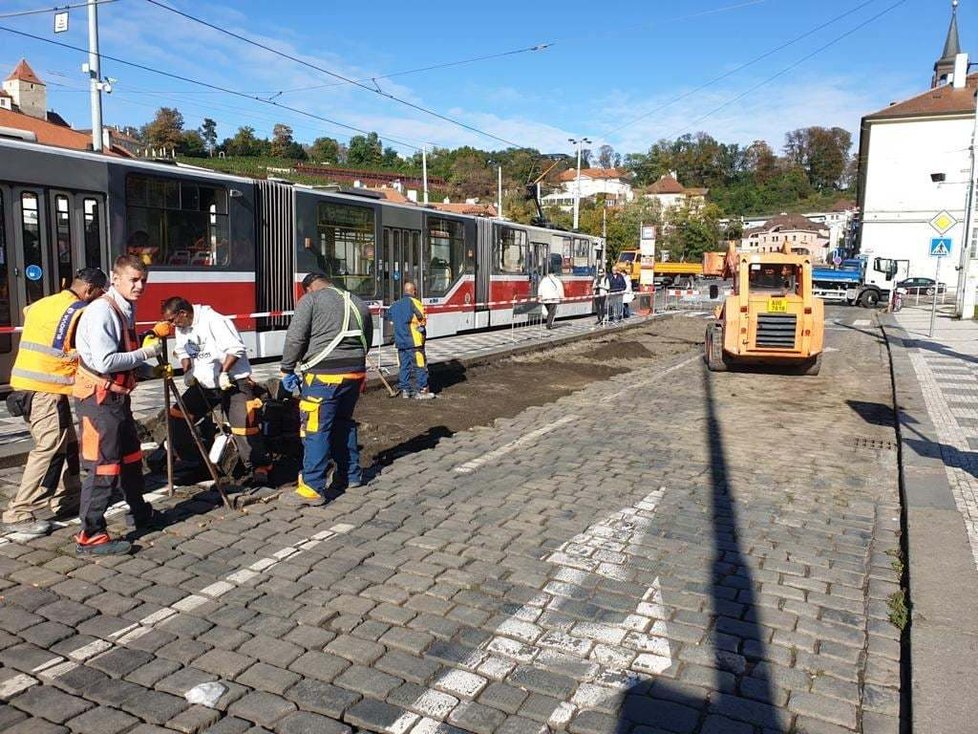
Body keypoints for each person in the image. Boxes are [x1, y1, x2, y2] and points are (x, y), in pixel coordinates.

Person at [1, 268, 108, 537]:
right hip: (44, 389)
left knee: (69, 443)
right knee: (49, 446)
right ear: (90, 290)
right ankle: (20, 511)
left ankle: (69, 494)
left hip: (32, 385)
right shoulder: (79, 312)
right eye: (99, 293)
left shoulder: (44, 304)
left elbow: (28, 313)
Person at [73, 255, 166, 555]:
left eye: (143, 281)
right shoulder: (102, 312)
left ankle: (139, 511)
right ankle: (91, 534)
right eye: (133, 280)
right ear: (115, 279)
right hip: (99, 400)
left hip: (118, 398)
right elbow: (105, 361)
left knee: (129, 458)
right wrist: (146, 353)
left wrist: (147, 371)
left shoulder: (125, 307)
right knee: (104, 466)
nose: (139, 286)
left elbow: (121, 355)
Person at [280, 273, 373, 505]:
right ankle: (351, 475)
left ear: (309, 288)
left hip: (324, 376)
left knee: (315, 429)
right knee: (343, 423)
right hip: (355, 372)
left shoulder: (311, 300)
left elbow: (295, 337)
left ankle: (312, 487)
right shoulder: (357, 301)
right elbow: (367, 337)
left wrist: (287, 369)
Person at [161, 297, 272, 486]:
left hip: (232, 381)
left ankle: (259, 467)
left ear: (183, 313)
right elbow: (183, 352)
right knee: (176, 418)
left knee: (244, 425)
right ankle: (197, 462)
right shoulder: (182, 328)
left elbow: (236, 349)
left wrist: (224, 372)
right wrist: (187, 370)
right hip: (205, 385)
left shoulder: (215, 321)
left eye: (172, 320)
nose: (171, 325)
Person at [388, 282, 436, 399]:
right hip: (414, 342)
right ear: (414, 291)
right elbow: (422, 320)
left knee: (404, 366)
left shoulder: (394, 305)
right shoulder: (415, 303)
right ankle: (422, 390)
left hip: (400, 342)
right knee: (420, 366)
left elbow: (389, 318)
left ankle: (406, 390)